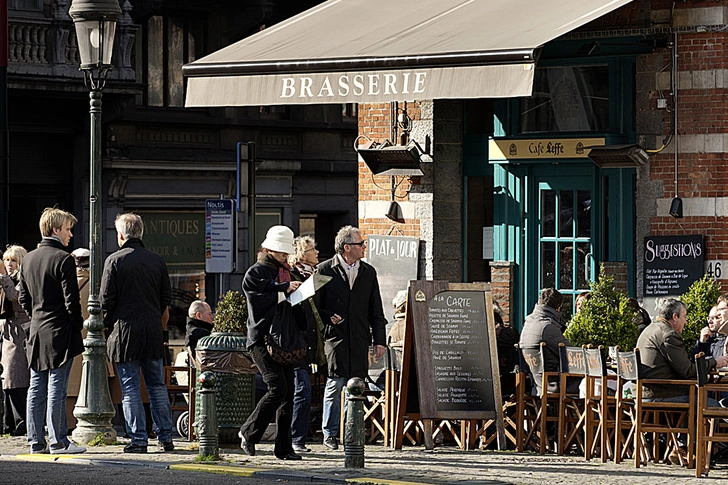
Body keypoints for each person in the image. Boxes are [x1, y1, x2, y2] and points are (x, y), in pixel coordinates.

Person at [100, 213, 174, 454]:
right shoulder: (157, 260)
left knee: (130, 387)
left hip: (124, 333)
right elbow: (166, 299)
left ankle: (139, 439)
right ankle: (166, 437)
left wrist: (109, 324)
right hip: (153, 331)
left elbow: (105, 301)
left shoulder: (114, 261)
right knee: (157, 386)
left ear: (121, 235)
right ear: (141, 233)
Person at [18, 208, 86, 454]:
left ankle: (36, 442)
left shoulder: (28, 259)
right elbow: (72, 301)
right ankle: (59, 441)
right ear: (56, 229)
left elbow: (22, 297)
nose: (70, 234)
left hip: (37, 330)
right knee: (56, 387)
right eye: (68, 229)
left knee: (36, 388)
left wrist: (36, 315)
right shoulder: (64, 258)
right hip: (60, 330)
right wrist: (76, 325)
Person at [316, 225, 387, 450]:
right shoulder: (324, 270)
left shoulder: (368, 272)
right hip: (335, 338)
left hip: (358, 337)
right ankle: (329, 433)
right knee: (335, 384)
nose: (364, 247)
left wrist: (379, 340)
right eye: (360, 244)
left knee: (356, 385)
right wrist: (328, 317)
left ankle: (350, 433)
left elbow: (376, 308)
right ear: (347, 248)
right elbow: (315, 307)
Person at [238, 225, 303, 460]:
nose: (286, 257)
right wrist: (284, 290)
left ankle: (284, 448)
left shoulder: (286, 272)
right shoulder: (256, 272)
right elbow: (257, 299)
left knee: (288, 393)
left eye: (286, 253)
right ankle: (248, 432)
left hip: (284, 339)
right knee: (278, 388)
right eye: (282, 253)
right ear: (270, 250)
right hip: (262, 339)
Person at [638, 298, 728, 402]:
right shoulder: (668, 335)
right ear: (675, 317)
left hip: (645, 392)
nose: (685, 322)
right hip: (659, 394)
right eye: (684, 317)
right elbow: (688, 370)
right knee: (712, 406)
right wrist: (715, 362)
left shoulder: (650, 329)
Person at [287, 236, 325, 453]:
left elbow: (317, 310)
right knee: (301, 389)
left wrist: (329, 316)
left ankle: (295, 439)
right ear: (301, 254)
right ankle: (296, 439)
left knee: (300, 390)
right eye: (312, 249)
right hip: (294, 343)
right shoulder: (290, 276)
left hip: (310, 342)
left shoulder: (315, 276)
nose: (317, 252)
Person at [519, 288, 575, 396]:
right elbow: (572, 354)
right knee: (595, 382)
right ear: (558, 308)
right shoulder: (547, 327)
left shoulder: (528, 322)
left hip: (536, 384)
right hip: (554, 384)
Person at [0, 245, 30, 436]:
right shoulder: (7, 280)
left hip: (19, 334)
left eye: (13, 261)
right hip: (7, 334)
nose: (9, 264)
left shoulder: (22, 280)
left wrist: (3, 277)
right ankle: (9, 422)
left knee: (15, 377)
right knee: (7, 379)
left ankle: (20, 422)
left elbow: (16, 297)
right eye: (6, 260)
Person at [66, 247, 90, 430]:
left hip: (70, 340)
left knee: (69, 387)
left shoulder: (65, 282)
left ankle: (67, 424)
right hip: (92, 342)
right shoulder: (95, 285)